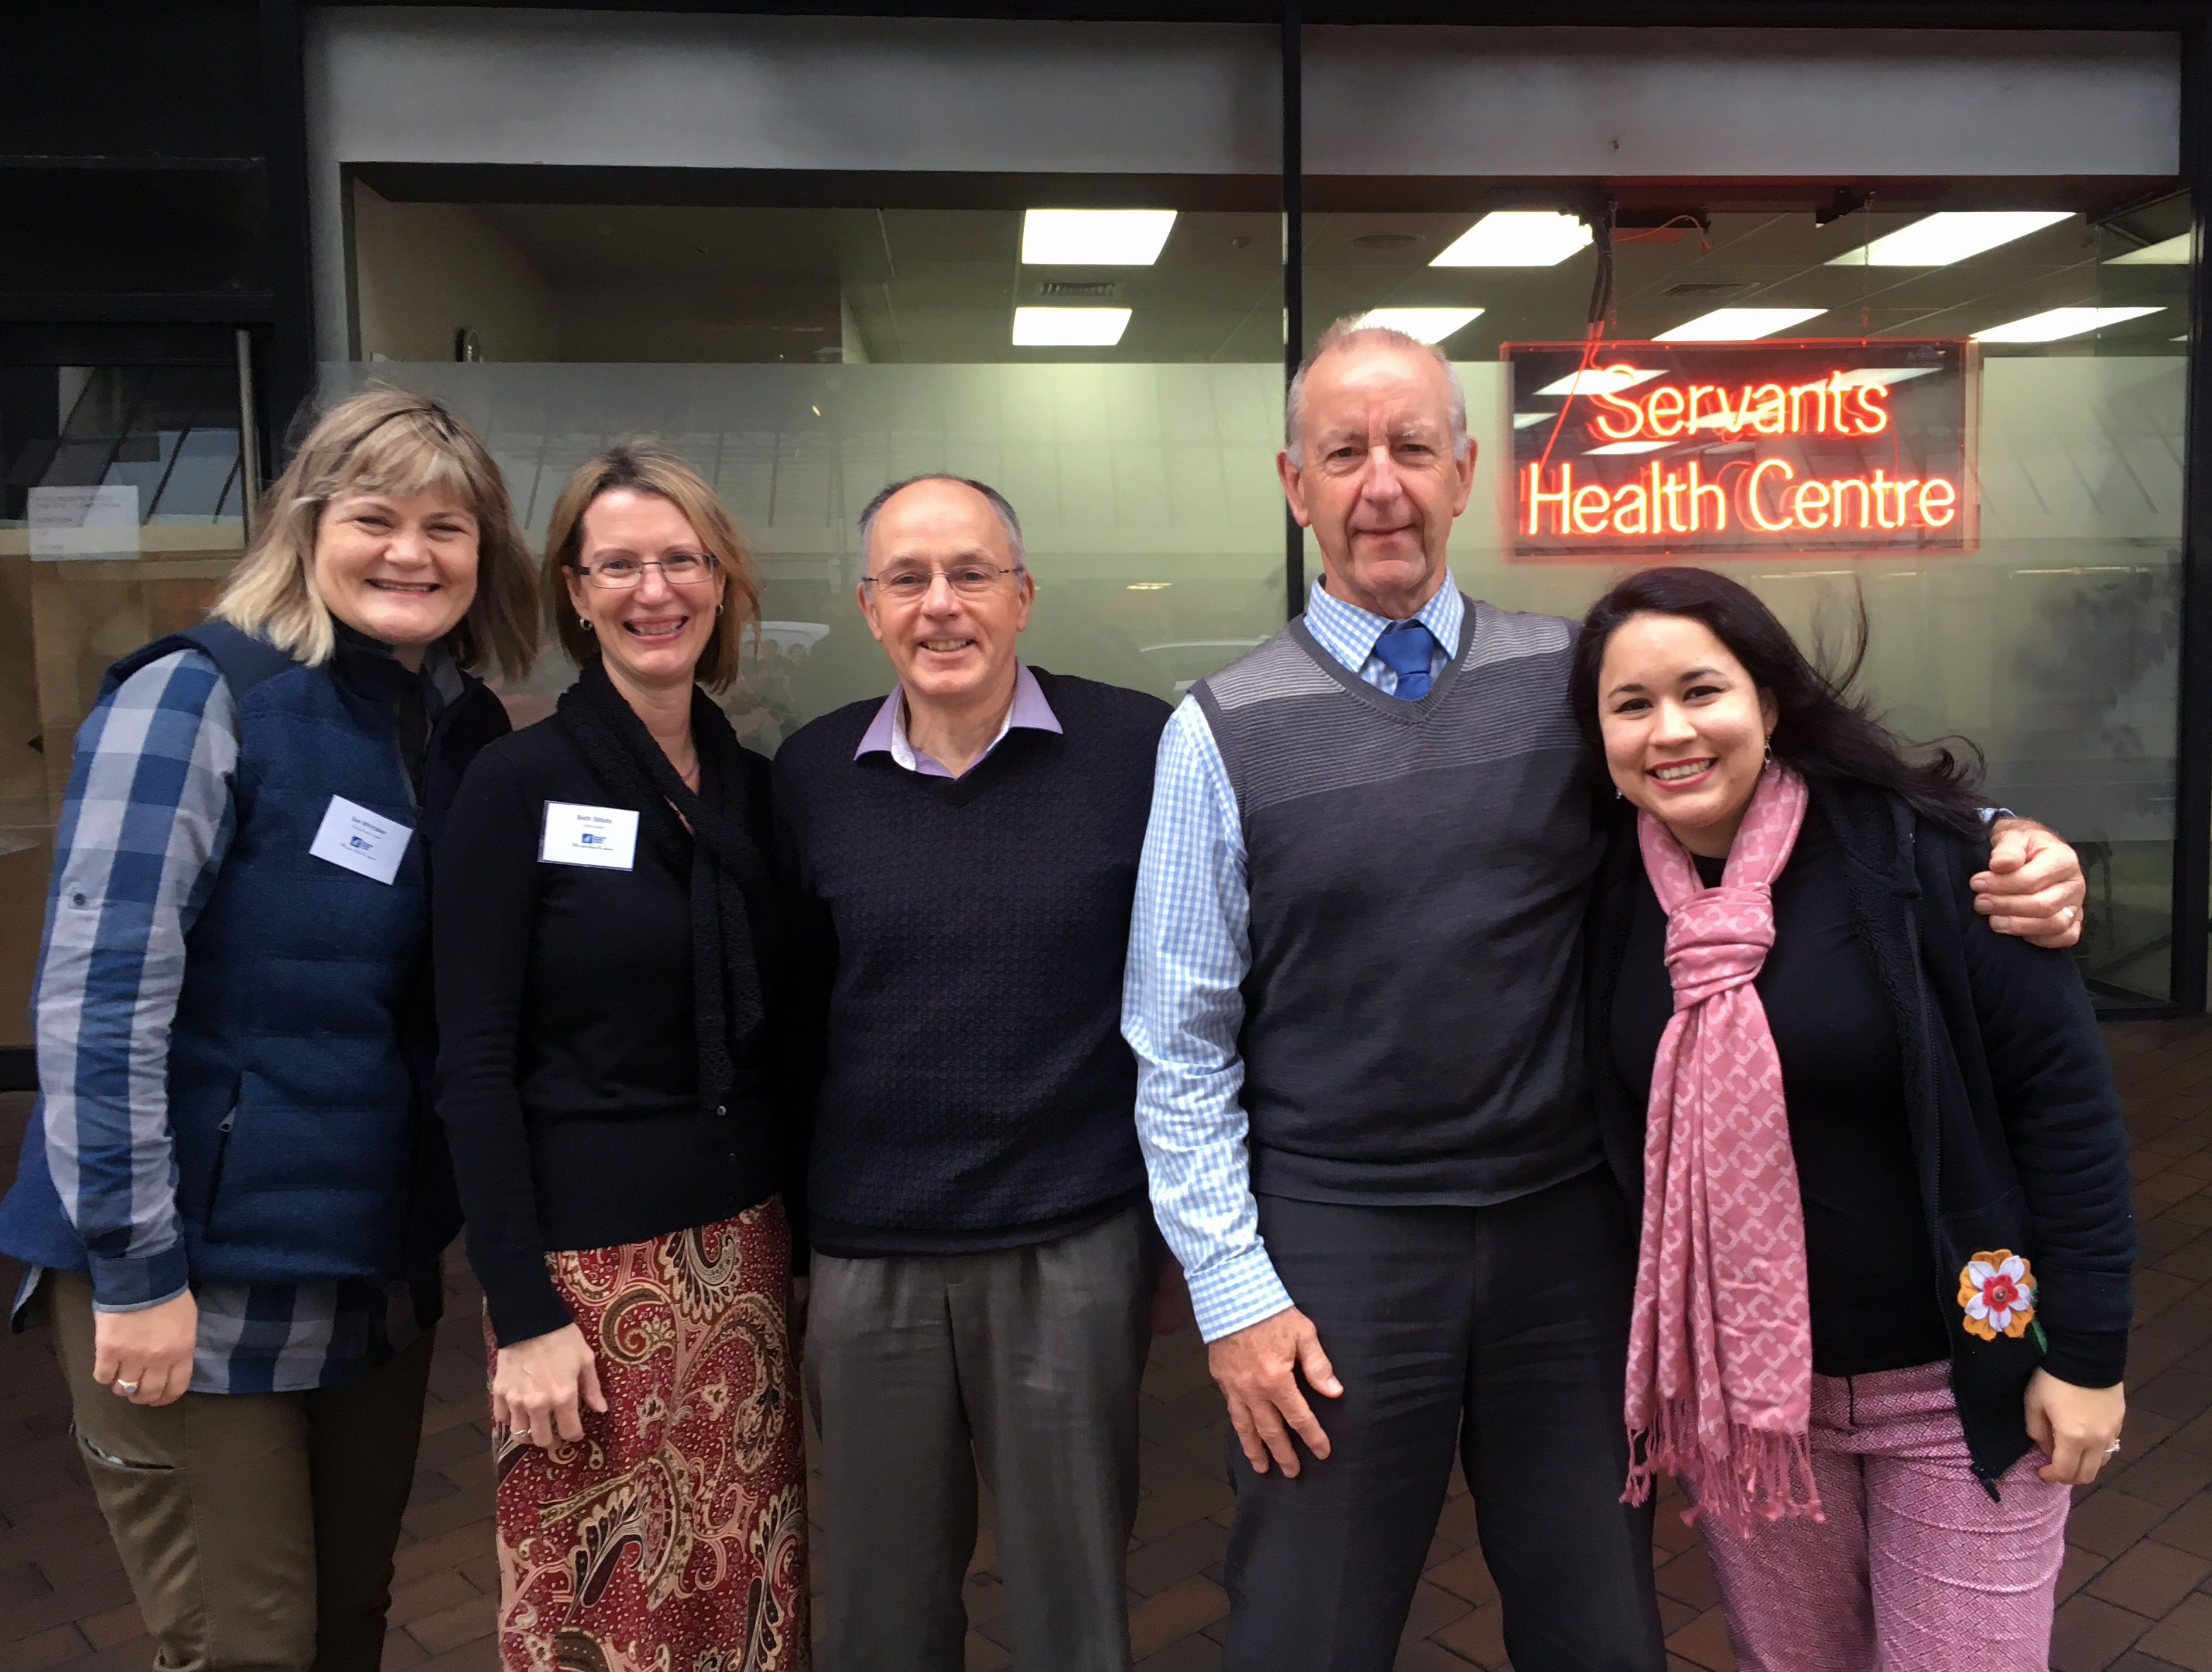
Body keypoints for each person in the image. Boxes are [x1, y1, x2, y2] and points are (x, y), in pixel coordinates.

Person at [1121, 316, 2092, 1672]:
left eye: (1411, 446)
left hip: (1570, 1240)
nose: (1379, 483)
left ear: (1465, 472)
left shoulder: (1575, 684)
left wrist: (1994, 834)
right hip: (1339, 1246)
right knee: (1305, 1624)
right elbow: (1177, 1048)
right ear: (1296, 484)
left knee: (1599, 1625)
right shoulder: (1211, 734)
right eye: (1344, 453)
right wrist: (1231, 1292)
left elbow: (1777, 775)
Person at [0, 388, 536, 1672]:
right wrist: (132, 1266)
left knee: (346, 1620)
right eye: (376, 517)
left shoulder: (452, 727)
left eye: (447, 525)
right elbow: (98, 994)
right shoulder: (198, 699)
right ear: (305, 527)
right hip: (191, 1275)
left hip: (368, 1269)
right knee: (247, 1645)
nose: (412, 552)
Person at [1573, 565, 2132, 1672]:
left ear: (1768, 702)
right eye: (1630, 705)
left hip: (1959, 1382)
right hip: (1752, 1413)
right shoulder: (1609, 894)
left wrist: (2091, 1357)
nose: (1670, 731)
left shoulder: (1929, 860)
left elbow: (2064, 1111)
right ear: (1598, 738)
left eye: (1702, 691)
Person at [773, 474, 1176, 1671]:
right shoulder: (807, 774)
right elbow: (791, 1019)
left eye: (970, 574)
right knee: (883, 1612)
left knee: (1074, 1602)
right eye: (907, 579)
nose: (940, 605)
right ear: (866, 606)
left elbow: (1193, 994)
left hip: (1070, 1239)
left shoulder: (1138, 750)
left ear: (1023, 594)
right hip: (870, 1247)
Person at [432, 442, 809, 1672]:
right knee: (603, 1617)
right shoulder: (516, 782)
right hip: (586, 1284)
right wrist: (524, 1308)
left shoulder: (754, 787)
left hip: (745, 1256)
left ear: (723, 582)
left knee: (742, 1583)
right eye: (620, 565)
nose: (655, 589)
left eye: (681, 559)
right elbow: (474, 1062)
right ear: (575, 591)